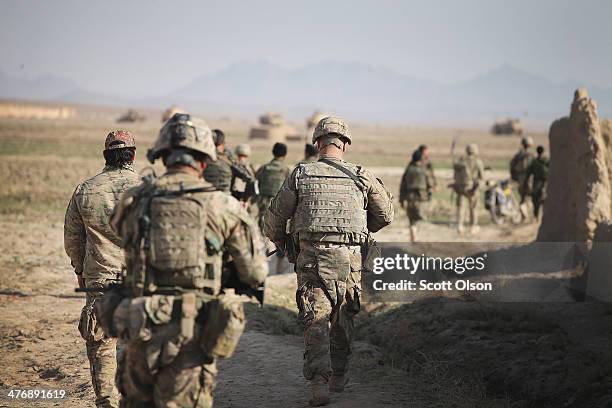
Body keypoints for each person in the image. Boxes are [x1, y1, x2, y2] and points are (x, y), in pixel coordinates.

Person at [106, 113, 268, 407]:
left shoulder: (133, 199)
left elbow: (120, 233)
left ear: (163, 157)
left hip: (139, 328)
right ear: (205, 161)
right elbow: (256, 273)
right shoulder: (223, 206)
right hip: (191, 336)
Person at [264, 116, 394, 406]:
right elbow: (386, 215)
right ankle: (339, 374)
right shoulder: (363, 175)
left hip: (312, 257)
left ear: (317, 143)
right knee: (343, 316)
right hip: (350, 260)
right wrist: (359, 228)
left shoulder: (300, 174)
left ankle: (319, 384)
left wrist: (282, 242)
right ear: (344, 144)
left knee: (316, 318)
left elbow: (274, 219)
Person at [64, 130, 140, 408]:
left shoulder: (85, 190)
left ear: (106, 155)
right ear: (132, 154)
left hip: (101, 281)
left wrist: (80, 269)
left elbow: (73, 237)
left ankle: (107, 401)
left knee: (102, 346)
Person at [253, 142, 291, 232]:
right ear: (285, 154)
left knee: (263, 230)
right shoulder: (286, 170)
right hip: (280, 206)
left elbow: (255, 184)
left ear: (273, 152)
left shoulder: (264, 168)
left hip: (264, 204)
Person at [399, 149, 433, 242]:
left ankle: (413, 232)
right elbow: (429, 183)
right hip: (421, 197)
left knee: (411, 218)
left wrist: (401, 199)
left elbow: (403, 185)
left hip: (410, 196)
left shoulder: (409, 169)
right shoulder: (423, 169)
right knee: (419, 216)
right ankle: (416, 234)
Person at [452, 143, 484, 235]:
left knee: (461, 207)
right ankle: (473, 226)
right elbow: (482, 177)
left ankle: (460, 225)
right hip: (473, 188)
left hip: (462, 188)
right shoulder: (478, 162)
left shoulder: (461, 161)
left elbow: (455, 172)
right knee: (473, 208)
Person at [510, 135, 534, 214]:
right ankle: (529, 216)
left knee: (523, 197)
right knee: (529, 197)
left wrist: (514, 176)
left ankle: (524, 215)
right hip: (529, 178)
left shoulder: (519, 155)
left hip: (520, 178)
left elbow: (512, 165)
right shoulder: (531, 155)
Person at [524, 145, 549, 219]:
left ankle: (536, 216)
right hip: (546, 183)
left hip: (536, 183)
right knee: (545, 200)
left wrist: (526, 183)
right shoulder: (546, 160)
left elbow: (528, 173)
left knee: (535, 201)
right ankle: (545, 217)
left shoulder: (534, 161)